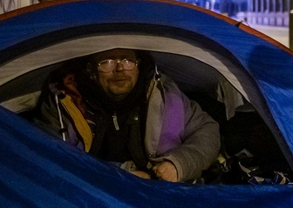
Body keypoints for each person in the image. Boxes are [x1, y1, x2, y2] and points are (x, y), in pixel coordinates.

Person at [36, 48, 220, 182]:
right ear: (91, 72)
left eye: (127, 60)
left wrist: (179, 164)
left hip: (159, 198)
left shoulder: (164, 95)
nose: (119, 69)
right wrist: (119, 175)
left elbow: (207, 131)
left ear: (138, 66)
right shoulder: (65, 102)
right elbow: (46, 160)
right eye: (107, 63)